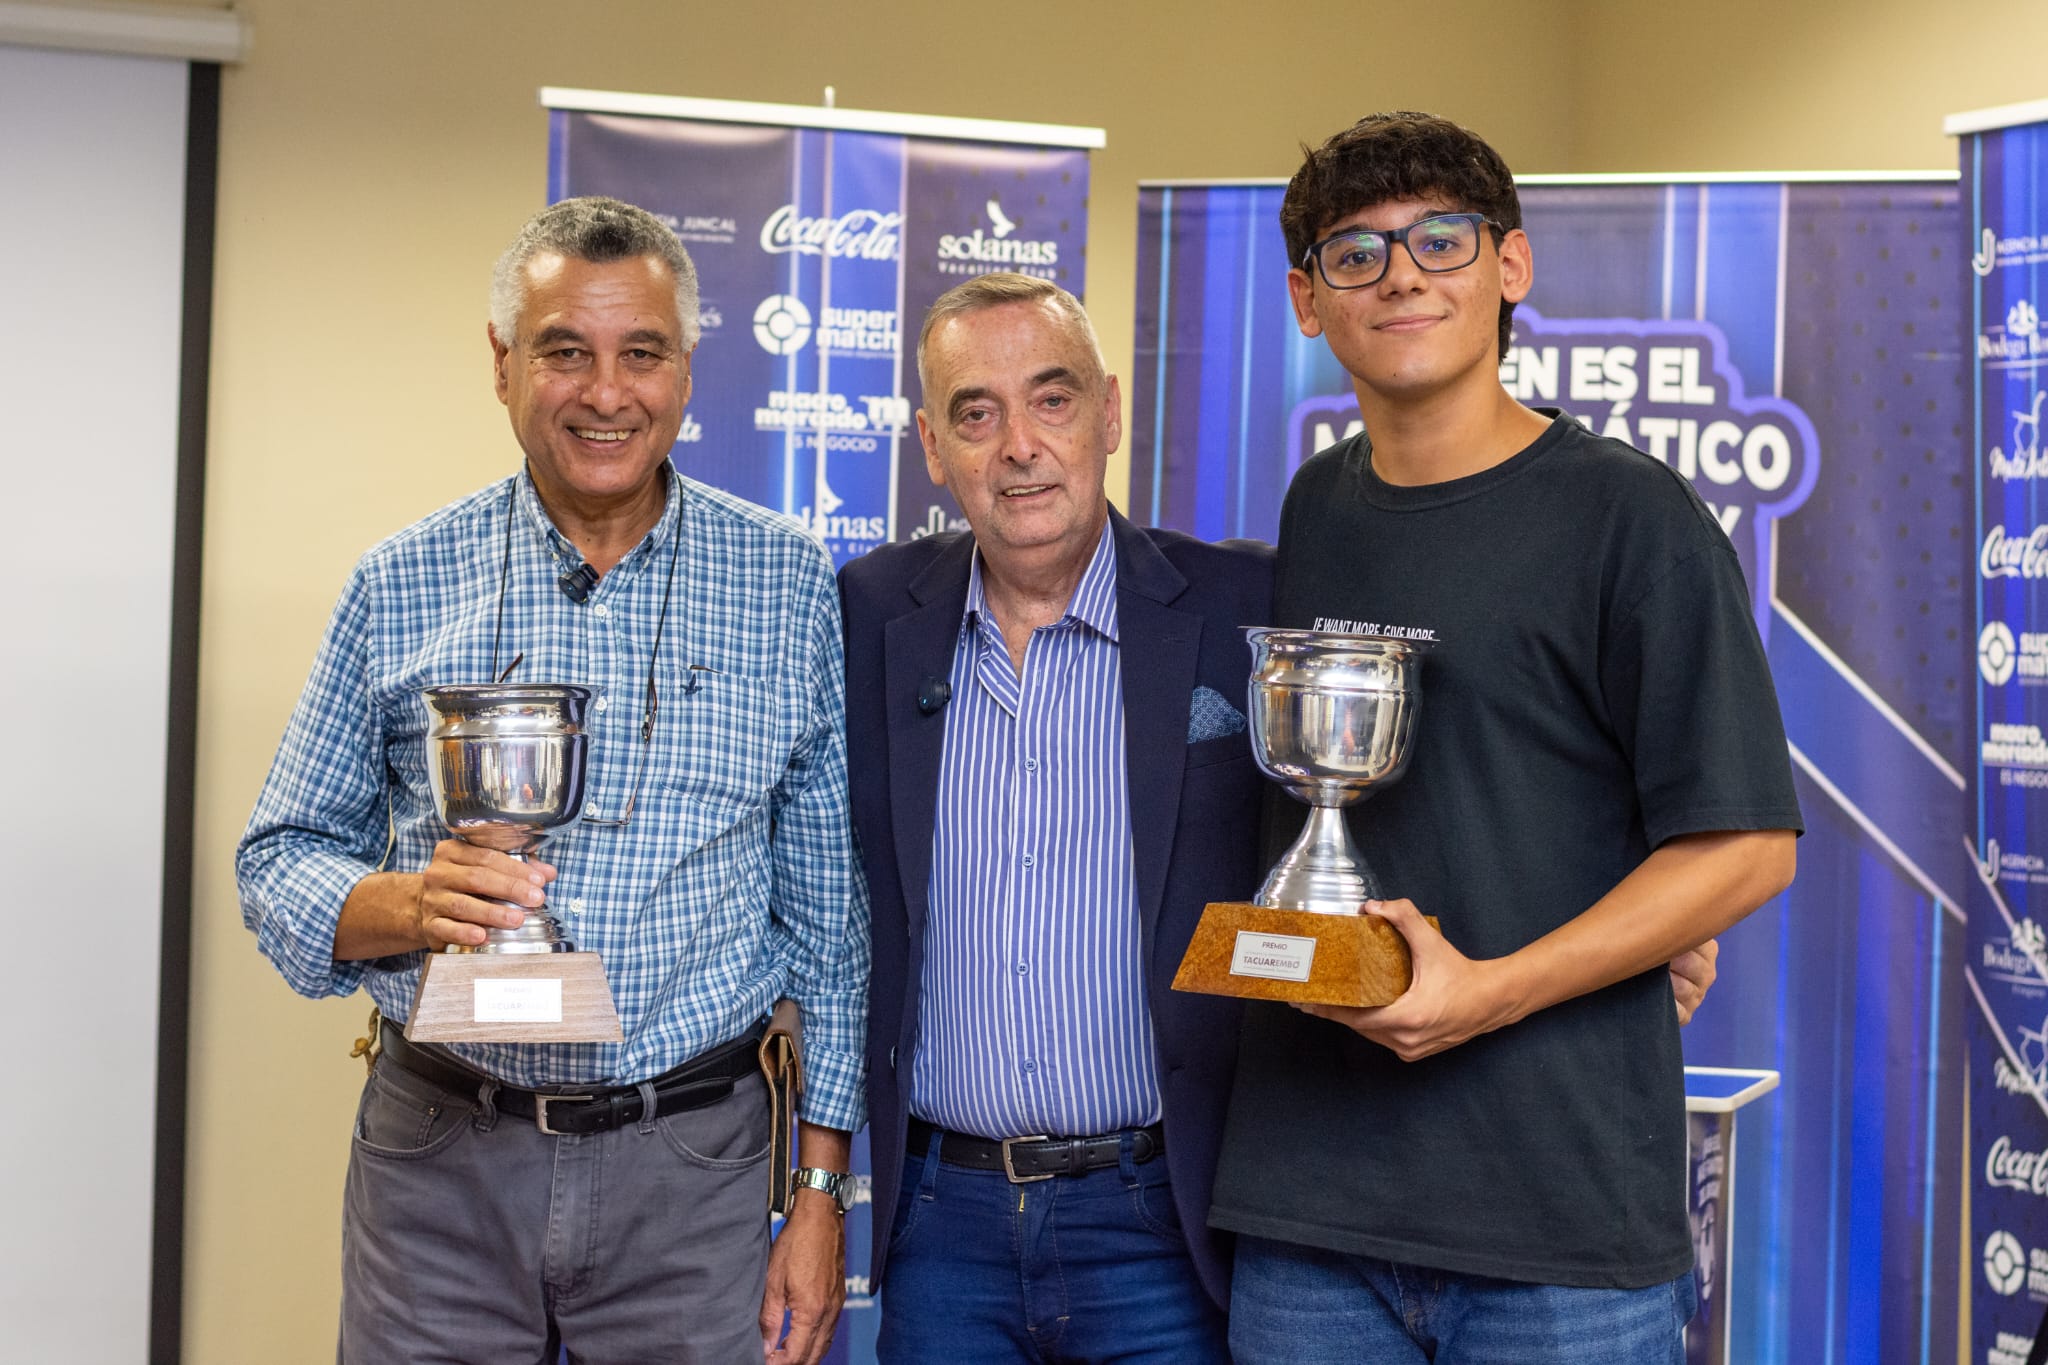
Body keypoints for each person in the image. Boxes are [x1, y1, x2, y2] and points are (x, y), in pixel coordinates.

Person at [1208, 113, 1803, 1365]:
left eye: (1440, 238)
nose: (1403, 273)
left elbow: (1745, 848)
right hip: (1310, 1215)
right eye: (1354, 253)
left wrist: (1487, 995)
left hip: (1554, 1232)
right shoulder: (1316, 504)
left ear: (1508, 267)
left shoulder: (1630, 518)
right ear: (1306, 302)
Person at [236, 196, 867, 1365]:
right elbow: (276, 860)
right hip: (441, 1167)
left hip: (694, 1171)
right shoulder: (402, 580)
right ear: (502, 364)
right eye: (563, 351)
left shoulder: (787, 586)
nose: (605, 392)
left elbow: (828, 924)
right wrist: (403, 905)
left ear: (687, 369)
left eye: (642, 353)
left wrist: (820, 1194)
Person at [838, 273, 1270, 1361]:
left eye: (1052, 399)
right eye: (974, 414)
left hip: (1163, 1222)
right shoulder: (869, 616)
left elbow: (1452, 745)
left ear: (1111, 412)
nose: (1018, 445)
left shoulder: (1243, 606)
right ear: (932, 449)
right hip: (942, 1229)